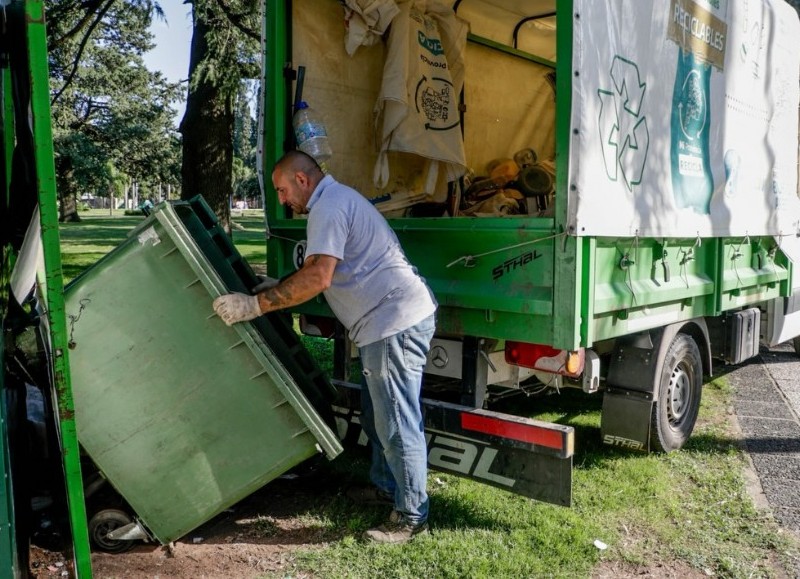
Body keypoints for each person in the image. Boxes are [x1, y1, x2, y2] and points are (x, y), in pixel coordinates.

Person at [213, 150, 437, 544]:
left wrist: (254, 305)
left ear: (302, 180)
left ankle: (411, 517)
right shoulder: (335, 200)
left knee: (396, 422)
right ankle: (388, 489)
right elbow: (316, 266)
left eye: (282, 190)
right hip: (386, 322)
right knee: (378, 416)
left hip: (393, 323)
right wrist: (281, 285)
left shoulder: (329, 207)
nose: (282, 200)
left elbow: (318, 277)